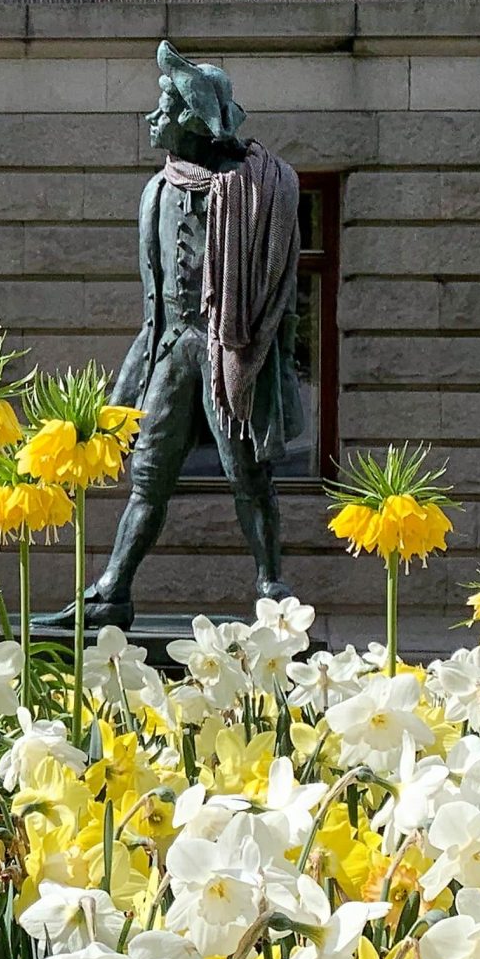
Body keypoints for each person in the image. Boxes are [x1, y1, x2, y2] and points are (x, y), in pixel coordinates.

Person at [68, 40, 302, 628]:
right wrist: (121, 396)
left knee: (249, 475)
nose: (152, 117)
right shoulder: (157, 192)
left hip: (231, 350)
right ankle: (113, 590)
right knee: (146, 475)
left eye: (165, 106)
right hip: (173, 350)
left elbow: (278, 293)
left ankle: (271, 587)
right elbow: (153, 312)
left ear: (195, 119)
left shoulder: (256, 188)